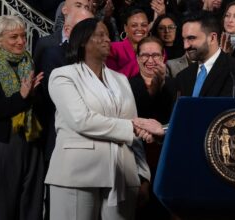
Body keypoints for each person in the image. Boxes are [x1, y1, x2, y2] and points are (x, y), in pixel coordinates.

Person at [45, 17, 152, 220]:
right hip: (77, 173)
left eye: (108, 35)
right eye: (100, 35)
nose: (107, 40)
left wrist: (143, 174)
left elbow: (134, 126)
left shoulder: (121, 80)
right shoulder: (63, 75)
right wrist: (132, 127)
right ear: (83, 40)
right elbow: (82, 120)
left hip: (123, 174)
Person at [0, 15, 44, 220]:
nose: (21, 41)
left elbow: (39, 108)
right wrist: (21, 97)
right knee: (1, 211)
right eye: (14, 37)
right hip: (2, 146)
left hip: (32, 143)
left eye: (23, 36)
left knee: (31, 209)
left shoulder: (29, 64)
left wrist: (32, 96)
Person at [37, 9, 93, 220]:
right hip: (61, 138)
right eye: (84, 27)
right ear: (68, 30)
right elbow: (59, 102)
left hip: (89, 144)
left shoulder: (97, 58)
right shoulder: (54, 54)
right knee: (58, 205)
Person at [129, 36, 174, 220]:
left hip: (166, 158)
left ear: (163, 56)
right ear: (138, 57)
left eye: (155, 55)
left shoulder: (174, 84)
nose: (150, 60)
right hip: (135, 157)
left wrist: (161, 85)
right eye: (145, 55)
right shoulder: (126, 85)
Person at [171, 11, 235, 98]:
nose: (185, 46)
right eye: (184, 39)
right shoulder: (183, 76)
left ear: (212, 38)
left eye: (191, 38)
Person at [34, 0, 91, 71]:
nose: (83, 10)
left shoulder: (92, 45)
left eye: (86, 7)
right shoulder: (45, 43)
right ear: (64, 10)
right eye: (78, 6)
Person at [106, 7, 150, 78]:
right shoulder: (112, 49)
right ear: (125, 28)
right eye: (134, 25)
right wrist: (140, 61)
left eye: (144, 25)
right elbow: (113, 79)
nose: (139, 29)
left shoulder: (157, 49)